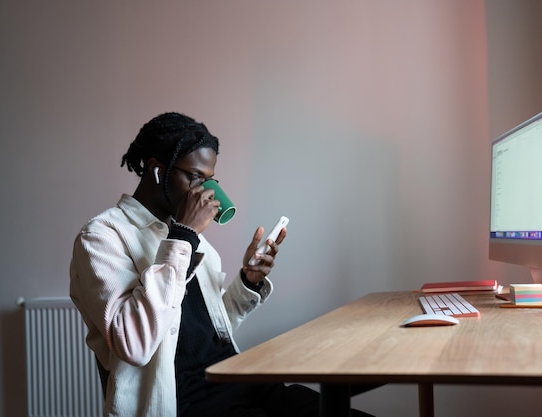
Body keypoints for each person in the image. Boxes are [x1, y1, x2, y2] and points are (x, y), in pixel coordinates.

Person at [69, 112, 374, 417]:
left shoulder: (186, 236)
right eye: (196, 177)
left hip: (237, 382)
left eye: (210, 179)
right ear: (157, 170)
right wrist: (183, 237)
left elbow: (210, 328)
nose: (206, 191)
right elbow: (134, 344)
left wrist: (248, 280)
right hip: (186, 402)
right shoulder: (102, 236)